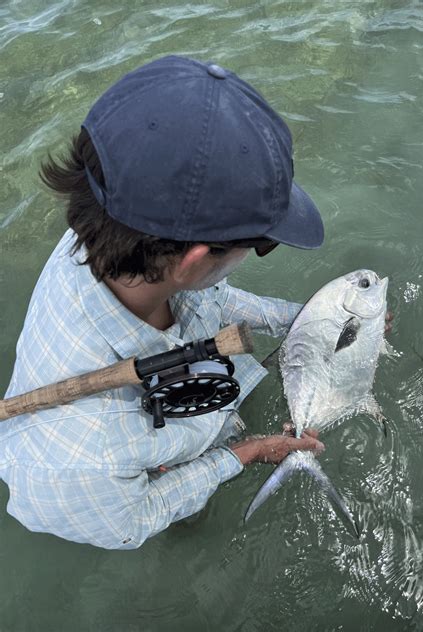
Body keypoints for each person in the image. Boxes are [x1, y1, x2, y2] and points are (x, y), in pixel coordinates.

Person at [0, 56, 326, 549]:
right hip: (128, 476)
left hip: (183, 398)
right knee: (190, 528)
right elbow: (136, 519)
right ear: (192, 262)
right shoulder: (76, 461)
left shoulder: (112, 230)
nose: (256, 252)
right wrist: (246, 452)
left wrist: (311, 320)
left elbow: (214, 296)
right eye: (261, 242)